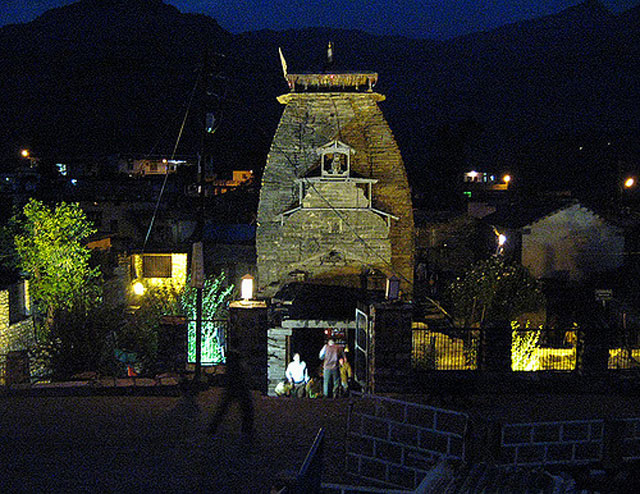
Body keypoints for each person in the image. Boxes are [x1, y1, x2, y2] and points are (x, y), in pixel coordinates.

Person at [207, 349, 254, 441]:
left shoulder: (232, 363)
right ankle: (247, 430)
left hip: (233, 386)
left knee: (223, 407)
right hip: (240, 386)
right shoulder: (238, 362)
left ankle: (213, 427)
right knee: (246, 408)